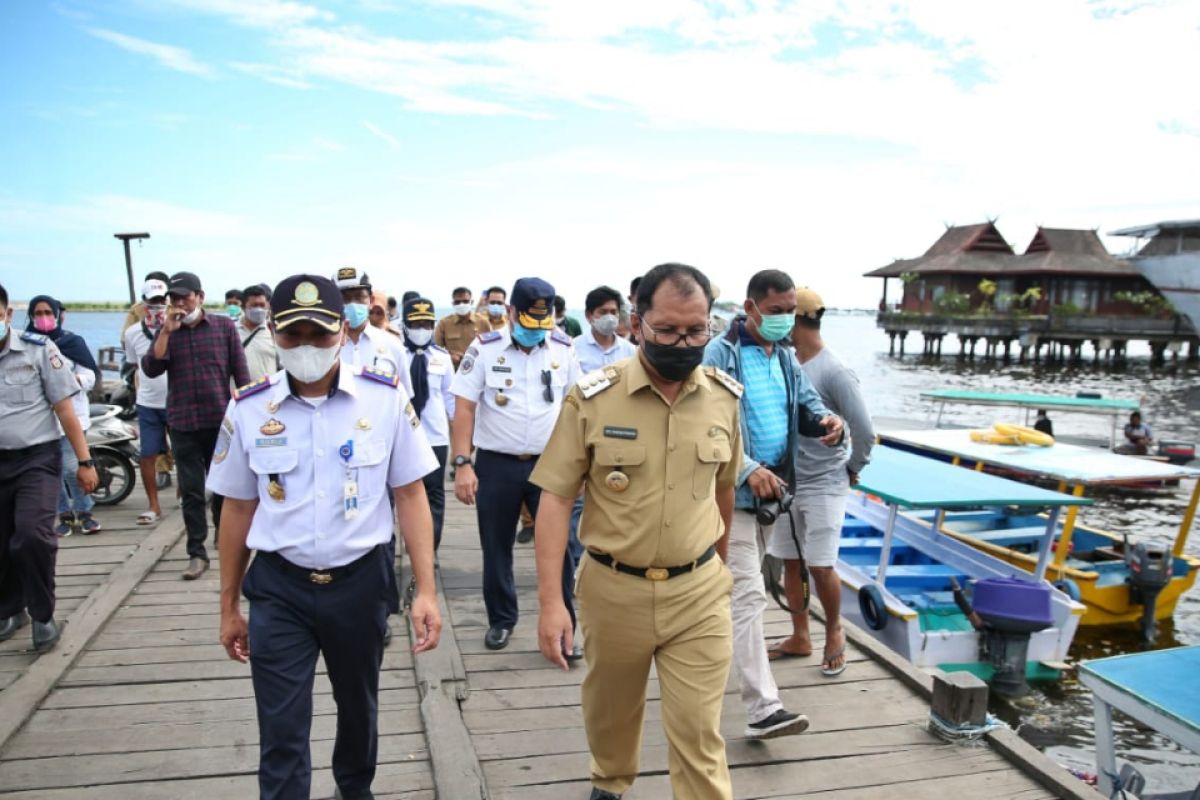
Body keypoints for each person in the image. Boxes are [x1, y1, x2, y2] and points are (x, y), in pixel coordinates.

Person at [208, 275, 441, 800]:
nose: (308, 347)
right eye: (294, 336)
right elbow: (237, 508)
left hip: (359, 583)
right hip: (278, 587)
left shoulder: (383, 400)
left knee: (359, 709)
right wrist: (228, 606)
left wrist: (424, 590)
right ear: (273, 332)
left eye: (320, 334)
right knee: (281, 726)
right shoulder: (249, 408)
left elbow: (410, 495)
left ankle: (353, 790)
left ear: (342, 330)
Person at [532, 263, 743, 800]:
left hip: (698, 593)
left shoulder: (723, 398)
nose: (683, 342)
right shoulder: (593, 398)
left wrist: (718, 567)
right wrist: (551, 603)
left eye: (696, 331)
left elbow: (724, 491)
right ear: (636, 321)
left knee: (700, 731)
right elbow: (555, 500)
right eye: (668, 330)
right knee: (610, 713)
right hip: (613, 588)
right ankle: (610, 783)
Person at [702, 269, 843, 740]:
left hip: (773, 498)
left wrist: (828, 421)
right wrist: (745, 469)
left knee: (733, 597)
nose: (785, 320)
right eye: (777, 311)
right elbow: (703, 426)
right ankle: (764, 708)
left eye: (791, 313)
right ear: (751, 308)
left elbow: (807, 406)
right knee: (748, 596)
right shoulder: (718, 356)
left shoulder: (785, 358)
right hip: (732, 498)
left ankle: (703, 652)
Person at [449, 277, 580, 653]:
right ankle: (502, 620)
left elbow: (577, 408)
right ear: (509, 313)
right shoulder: (485, 348)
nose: (534, 333)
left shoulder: (562, 348)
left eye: (543, 325)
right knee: (496, 545)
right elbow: (465, 407)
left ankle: (563, 625)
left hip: (551, 465)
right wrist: (462, 463)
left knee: (562, 548)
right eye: (527, 323)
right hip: (497, 463)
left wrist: (581, 466)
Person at [766, 288, 873, 677]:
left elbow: (864, 428)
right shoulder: (784, 362)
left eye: (783, 316)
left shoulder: (834, 370)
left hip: (826, 481)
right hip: (787, 479)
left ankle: (833, 630)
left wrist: (852, 466)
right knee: (789, 561)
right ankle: (799, 634)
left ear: (798, 320)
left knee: (821, 565)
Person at [0, 281, 97, 653]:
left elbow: (65, 410)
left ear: (8, 315)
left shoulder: (39, 350)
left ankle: (42, 615)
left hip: (36, 459)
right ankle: (10, 609)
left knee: (32, 535)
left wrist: (85, 461)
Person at [143, 271, 251, 580]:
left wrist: (247, 411)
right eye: (174, 298)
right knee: (191, 490)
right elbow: (151, 369)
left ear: (199, 297)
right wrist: (165, 332)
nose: (179, 303)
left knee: (223, 487)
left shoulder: (222, 327)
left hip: (220, 420)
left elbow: (240, 373)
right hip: (182, 422)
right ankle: (196, 552)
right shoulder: (167, 330)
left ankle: (224, 535)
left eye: (185, 297)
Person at [564, 285, 637, 565]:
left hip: (622, 438)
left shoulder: (631, 352)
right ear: (588, 315)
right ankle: (577, 563)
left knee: (617, 499)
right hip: (583, 434)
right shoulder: (572, 349)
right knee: (578, 504)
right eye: (603, 312)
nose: (609, 317)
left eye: (614, 312)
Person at [25, 296, 102, 536]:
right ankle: (65, 515)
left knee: (72, 467)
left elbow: (89, 376)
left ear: (58, 314)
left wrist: (65, 381)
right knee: (53, 472)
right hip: (40, 420)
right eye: (37, 313)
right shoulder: (27, 344)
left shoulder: (72, 342)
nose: (43, 317)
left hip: (73, 417)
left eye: (48, 312)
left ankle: (85, 510)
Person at [400, 297, 455, 550]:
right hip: (402, 436)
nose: (421, 329)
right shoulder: (396, 354)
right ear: (405, 324)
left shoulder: (441, 358)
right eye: (416, 323)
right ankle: (406, 545)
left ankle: (429, 548)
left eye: (426, 323)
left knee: (434, 494)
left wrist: (464, 438)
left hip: (435, 436)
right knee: (402, 494)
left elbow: (450, 398)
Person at [122, 279, 171, 526]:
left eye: (162, 300)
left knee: (183, 453)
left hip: (177, 401)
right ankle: (153, 505)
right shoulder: (132, 334)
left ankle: (184, 496)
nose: (158, 306)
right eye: (152, 301)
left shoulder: (178, 329)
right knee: (147, 454)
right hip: (148, 402)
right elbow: (134, 363)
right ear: (143, 303)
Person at [333, 268, 413, 395]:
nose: (352, 304)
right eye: (344, 299)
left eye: (359, 297)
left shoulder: (393, 345)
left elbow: (404, 397)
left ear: (371, 301)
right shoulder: (325, 348)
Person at [435, 287, 488, 369]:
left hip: (478, 370)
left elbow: (492, 348)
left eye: (465, 301)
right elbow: (436, 350)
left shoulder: (483, 322)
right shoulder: (444, 323)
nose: (461, 304)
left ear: (472, 302)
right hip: (454, 371)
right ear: (453, 303)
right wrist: (450, 357)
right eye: (457, 302)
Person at [238, 284, 277, 382]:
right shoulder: (230, 331)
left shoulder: (274, 331)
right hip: (238, 394)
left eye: (262, 305)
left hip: (268, 394)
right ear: (243, 307)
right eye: (254, 305)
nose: (259, 309)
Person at [121, 270, 170, 334]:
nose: (158, 304)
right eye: (154, 300)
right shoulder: (136, 309)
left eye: (162, 299)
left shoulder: (176, 307)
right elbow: (125, 337)